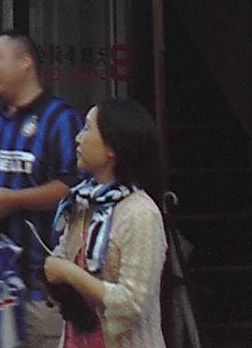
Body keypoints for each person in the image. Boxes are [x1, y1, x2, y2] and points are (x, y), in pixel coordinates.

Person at [0, 31, 81, 347]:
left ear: (25, 62)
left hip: (41, 291)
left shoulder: (61, 119)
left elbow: (73, 187)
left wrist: (14, 199)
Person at [44, 98, 167, 348]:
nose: (78, 138)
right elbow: (63, 256)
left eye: (87, 128)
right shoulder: (80, 201)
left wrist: (68, 273)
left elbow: (132, 303)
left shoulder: (141, 214)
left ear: (112, 147)